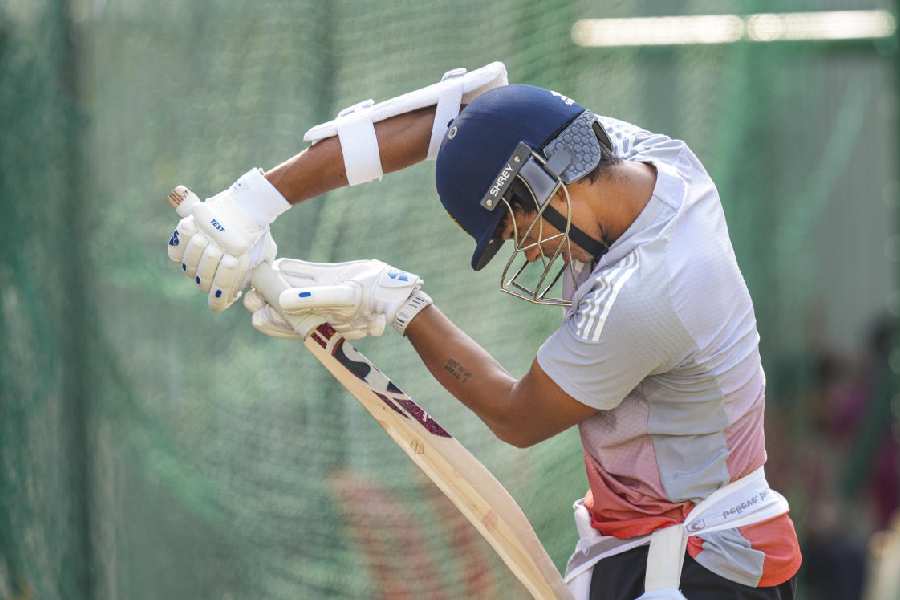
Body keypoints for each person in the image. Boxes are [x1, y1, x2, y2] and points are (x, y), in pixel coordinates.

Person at [167, 67, 801, 599]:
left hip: (701, 567)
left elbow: (516, 416)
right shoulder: (634, 157)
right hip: (671, 545)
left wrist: (402, 305)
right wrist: (252, 203)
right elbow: (466, 110)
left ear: (545, 185)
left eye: (515, 226)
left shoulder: (647, 293)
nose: (528, 250)